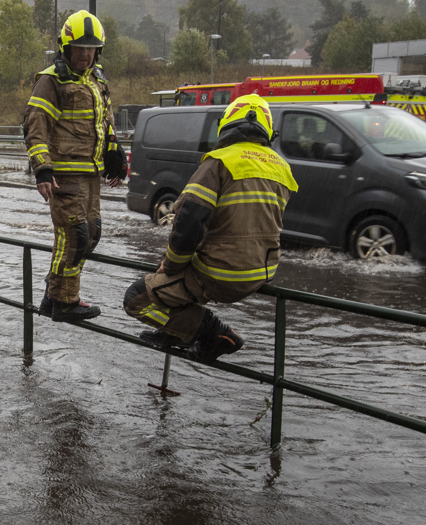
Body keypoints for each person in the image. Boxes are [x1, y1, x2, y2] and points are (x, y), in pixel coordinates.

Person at [123, 94, 298, 363]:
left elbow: (189, 222)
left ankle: (210, 332)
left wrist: (170, 266)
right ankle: (179, 332)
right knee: (172, 289)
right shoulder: (281, 168)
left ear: (228, 124)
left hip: (219, 274)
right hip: (261, 272)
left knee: (136, 298)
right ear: (267, 129)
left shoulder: (219, 162)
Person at [22, 10, 129, 321]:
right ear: (66, 48)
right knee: (76, 236)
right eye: (80, 48)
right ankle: (64, 300)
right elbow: (35, 126)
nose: (85, 54)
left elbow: (104, 122)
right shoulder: (51, 80)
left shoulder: (97, 80)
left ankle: (53, 295)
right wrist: (42, 169)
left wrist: (117, 154)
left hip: (90, 173)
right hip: (64, 175)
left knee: (92, 234)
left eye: (91, 48)